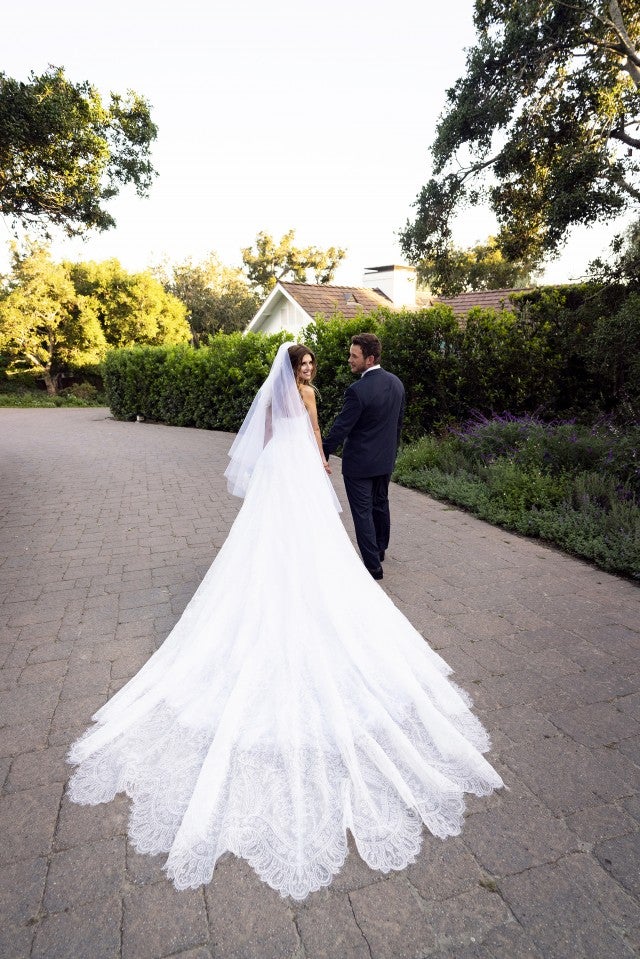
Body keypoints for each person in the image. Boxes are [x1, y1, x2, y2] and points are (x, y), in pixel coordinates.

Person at [67, 342, 503, 901]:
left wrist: (309, 459)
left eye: (312, 366)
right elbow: (293, 436)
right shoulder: (297, 395)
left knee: (295, 538)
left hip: (290, 469)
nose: (310, 371)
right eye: (306, 366)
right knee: (298, 534)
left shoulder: (297, 394)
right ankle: (326, 568)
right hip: (292, 468)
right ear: (296, 370)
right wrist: (305, 460)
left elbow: (296, 435)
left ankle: (330, 567)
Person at [322, 333, 404, 580]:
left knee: (363, 513)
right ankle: (379, 551)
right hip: (385, 460)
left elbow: (340, 428)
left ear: (369, 359)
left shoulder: (357, 391)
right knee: (381, 505)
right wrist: (392, 454)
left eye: (353, 356)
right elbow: (398, 425)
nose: (349, 360)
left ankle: (373, 568)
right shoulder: (396, 383)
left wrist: (321, 451)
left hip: (359, 465)